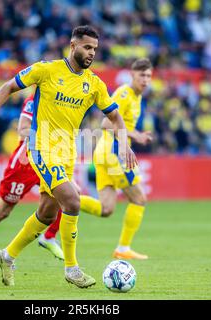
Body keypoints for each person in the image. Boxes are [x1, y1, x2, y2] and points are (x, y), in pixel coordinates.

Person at [0, 25, 137, 288]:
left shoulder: (94, 84)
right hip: (41, 147)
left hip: (67, 152)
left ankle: (7, 255)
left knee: (47, 214)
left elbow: (115, 117)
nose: (91, 53)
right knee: (72, 200)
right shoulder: (46, 70)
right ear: (73, 46)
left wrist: (125, 145)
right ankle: (72, 268)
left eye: (95, 48)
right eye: (87, 47)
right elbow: (7, 87)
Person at [0, 95, 65, 266]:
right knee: (3, 211)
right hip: (25, 163)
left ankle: (49, 237)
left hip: (50, 159)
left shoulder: (63, 100)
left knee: (65, 194)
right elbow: (23, 129)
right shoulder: (35, 100)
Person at [79, 58, 153, 260]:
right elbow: (106, 123)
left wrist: (135, 134)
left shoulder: (137, 97)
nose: (145, 80)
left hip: (104, 153)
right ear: (132, 75)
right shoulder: (124, 94)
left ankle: (66, 199)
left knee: (106, 209)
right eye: (142, 75)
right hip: (114, 152)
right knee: (139, 199)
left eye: (148, 76)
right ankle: (123, 248)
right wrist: (135, 135)